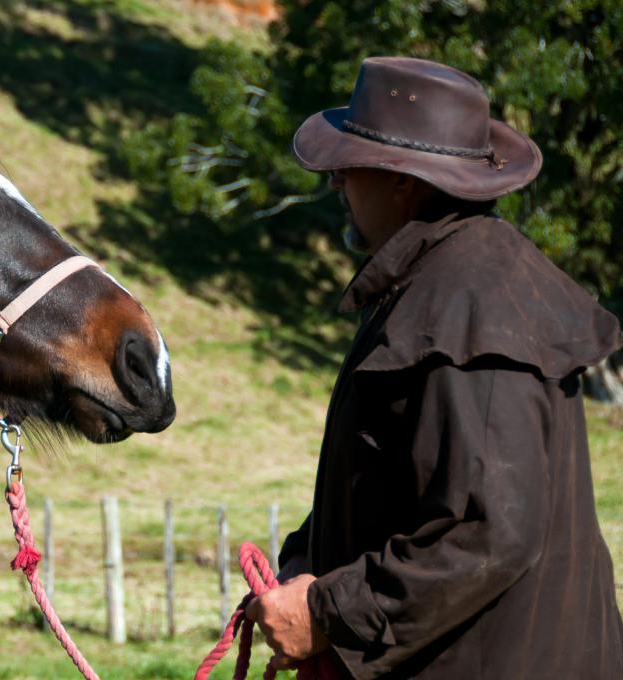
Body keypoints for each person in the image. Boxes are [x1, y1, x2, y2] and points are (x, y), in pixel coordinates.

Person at [244, 56, 623, 679]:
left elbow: (486, 532)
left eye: (353, 162)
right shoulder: (441, 282)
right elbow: (397, 485)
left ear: (405, 182)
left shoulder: (471, 305)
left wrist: (327, 613)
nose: (337, 181)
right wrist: (304, 567)